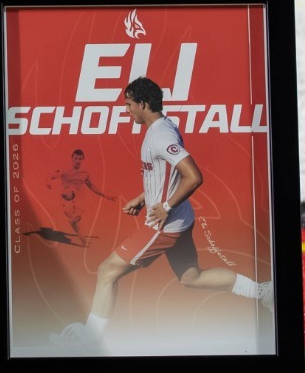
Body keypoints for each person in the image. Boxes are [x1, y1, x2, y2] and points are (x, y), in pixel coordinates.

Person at [54, 76, 269, 350]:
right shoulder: (162, 128)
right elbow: (168, 175)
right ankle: (263, 292)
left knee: (107, 271)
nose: (127, 110)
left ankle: (88, 342)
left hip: (165, 226)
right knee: (192, 277)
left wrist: (165, 207)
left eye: (129, 104)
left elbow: (193, 176)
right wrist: (144, 198)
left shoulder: (161, 135)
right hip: (180, 220)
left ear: (143, 104)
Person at [44, 147, 113, 240]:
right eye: (75, 158)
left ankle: (81, 236)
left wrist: (105, 196)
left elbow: (91, 186)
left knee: (77, 217)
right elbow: (50, 176)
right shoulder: (65, 169)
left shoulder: (85, 172)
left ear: (82, 159)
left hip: (80, 198)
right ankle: (81, 236)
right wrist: (48, 183)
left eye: (80, 159)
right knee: (73, 216)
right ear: (72, 158)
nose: (77, 161)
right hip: (66, 198)